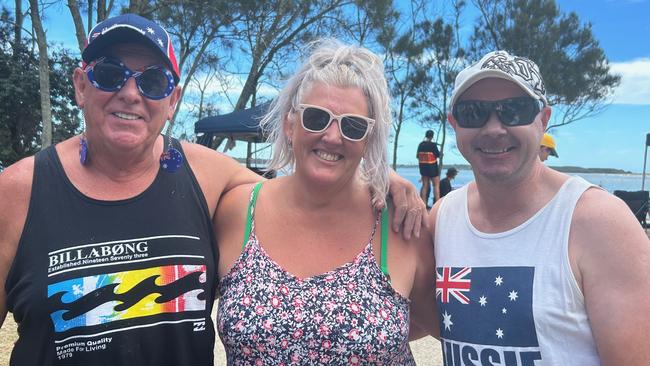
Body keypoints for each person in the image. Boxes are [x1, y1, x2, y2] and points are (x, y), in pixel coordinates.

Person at [0, 14, 424, 366]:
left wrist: (376, 174)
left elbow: (309, 192)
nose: (130, 93)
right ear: (80, 85)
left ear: (172, 100)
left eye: (152, 82)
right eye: (110, 74)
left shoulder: (202, 175)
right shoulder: (18, 192)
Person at [214, 39, 437, 364]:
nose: (333, 137)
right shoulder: (235, 210)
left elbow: (452, 327)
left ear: (368, 139)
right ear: (290, 125)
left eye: (353, 126)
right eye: (317, 118)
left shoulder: (400, 222)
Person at [430, 50, 650, 364]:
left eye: (515, 110)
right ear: (454, 124)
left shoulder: (597, 221)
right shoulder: (442, 218)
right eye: (473, 112)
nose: (493, 128)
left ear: (543, 120)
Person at [417, 129, 441, 207]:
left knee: (425, 185)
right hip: (432, 167)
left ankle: (424, 204)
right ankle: (437, 204)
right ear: (432, 136)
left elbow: (417, 156)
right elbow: (437, 155)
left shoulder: (421, 145)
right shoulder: (433, 145)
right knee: (436, 185)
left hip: (423, 168)